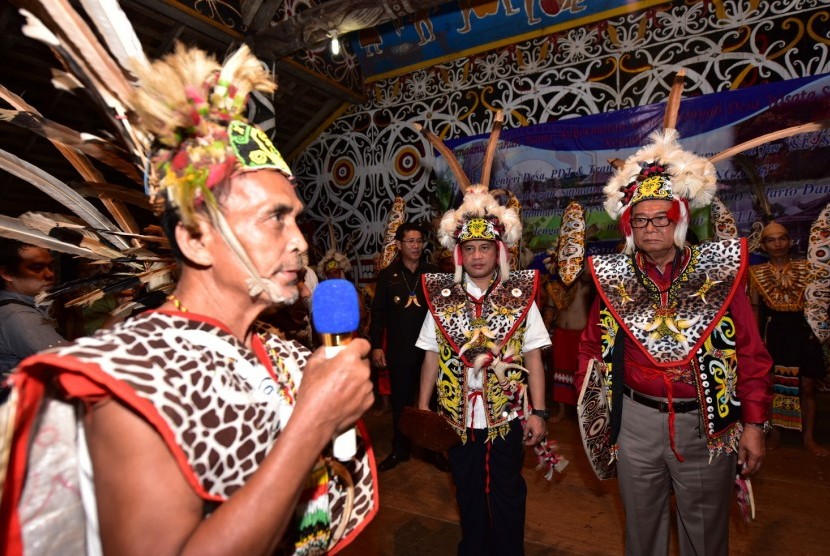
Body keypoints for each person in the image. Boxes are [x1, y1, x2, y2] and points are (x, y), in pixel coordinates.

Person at [0, 44, 376, 555]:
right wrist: (313, 421)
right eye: (274, 218)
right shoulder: (133, 378)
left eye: (295, 217)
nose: (300, 241)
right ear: (196, 240)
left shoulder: (284, 354)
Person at [575, 129, 772, 556]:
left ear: (679, 219)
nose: (650, 228)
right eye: (640, 219)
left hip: (703, 425)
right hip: (635, 425)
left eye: (661, 217)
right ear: (629, 225)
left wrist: (754, 424)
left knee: (703, 537)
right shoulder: (614, 279)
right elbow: (590, 349)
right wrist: (598, 408)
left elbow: (751, 355)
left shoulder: (718, 274)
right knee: (641, 535)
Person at [416, 184, 559, 555]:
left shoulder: (521, 296)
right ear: (459, 253)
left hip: (507, 415)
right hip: (455, 416)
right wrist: (422, 410)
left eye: (484, 247)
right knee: (466, 488)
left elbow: (534, 358)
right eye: (469, 248)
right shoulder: (441, 298)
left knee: (507, 490)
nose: (477, 255)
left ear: (499, 251)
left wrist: (539, 412)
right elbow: (431, 356)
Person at [750, 221, 828, 456]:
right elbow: (755, 310)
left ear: (790, 241)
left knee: (807, 387)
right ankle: (775, 434)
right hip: (775, 332)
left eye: (782, 238)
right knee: (775, 385)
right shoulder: (756, 274)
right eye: (771, 240)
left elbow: (820, 305)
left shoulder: (809, 269)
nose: (778, 244)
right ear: (763, 245)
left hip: (804, 331)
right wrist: (754, 343)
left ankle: (809, 438)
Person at [370, 221, 441, 471]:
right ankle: (399, 449)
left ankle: (431, 449)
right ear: (399, 245)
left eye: (419, 241)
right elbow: (378, 314)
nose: (415, 246)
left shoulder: (433, 274)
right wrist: (376, 346)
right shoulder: (388, 276)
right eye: (410, 241)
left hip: (430, 352)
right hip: (400, 350)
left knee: (429, 401)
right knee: (401, 402)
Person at [0, 240, 65, 403]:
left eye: (50, 266)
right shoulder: (19, 316)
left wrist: (118, 313)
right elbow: (74, 363)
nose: (49, 274)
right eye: (36, 267)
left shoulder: (19, 307)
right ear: (7, 274)